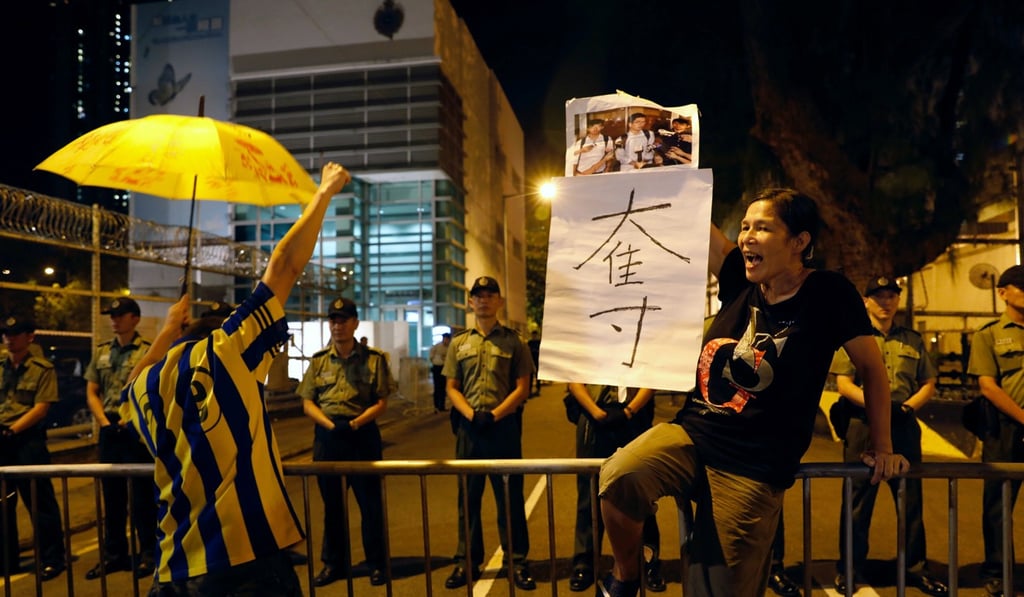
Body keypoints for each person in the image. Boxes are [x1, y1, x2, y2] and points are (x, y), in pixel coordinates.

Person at [596, 188, 909, 597]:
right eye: (744, 226)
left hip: (753, 465)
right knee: (620, 475)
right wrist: (670, 180)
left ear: (799, 242)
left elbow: (871, 368)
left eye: (762, 228)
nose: (746, 236)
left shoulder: (829, 294)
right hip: (693, 434)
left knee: (717, 589)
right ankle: (626, 575)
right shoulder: (739, 282)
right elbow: (701, 225)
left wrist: (883, 445)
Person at [120, 161, 352, 595]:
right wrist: (324, 192)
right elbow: (283, 266)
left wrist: (167, 328)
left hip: (172, 570)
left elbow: (134, 376)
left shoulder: (146, 386)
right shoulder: (228, 351)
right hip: (245, 564)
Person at [830, 276, 947, 596]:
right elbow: (844, 383)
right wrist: (878, 404)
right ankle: (849, 569)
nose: (886, 302)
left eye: (891, 296)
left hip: (904, 423)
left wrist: (907, 408)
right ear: (865, 301)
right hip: (863, 424)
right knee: (857, 501)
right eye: (878, 296)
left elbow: (928, 382)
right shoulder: (853, 335)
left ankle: (915, 568)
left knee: (910, 499)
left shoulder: (912, 340)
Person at [443, 275, 536, 591]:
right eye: (477, 295)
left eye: (489, 294)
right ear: (470, 302)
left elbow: (523, 388)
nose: (483, 299)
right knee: (467, 500)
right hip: (470, 430)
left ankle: (517, 562)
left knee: (510, 498)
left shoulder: (515, 342)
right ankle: (466, 561)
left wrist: (494, 414)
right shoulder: (459, 344)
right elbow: (451, 387)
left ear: (499, 301)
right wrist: (472, 414)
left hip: (503, 429)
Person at [299, 296, 391, 588]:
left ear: (355, 323)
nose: (337, 326)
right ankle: (333, 564)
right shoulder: (318, 362)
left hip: (362, 437)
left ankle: (377, 563)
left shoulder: (374, 359)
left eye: (343, 320)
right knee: (332, 507)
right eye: (333, 320)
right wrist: (330, 425)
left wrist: (353, 424)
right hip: (328, 439)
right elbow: (307, 402)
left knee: (370, 505)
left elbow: (381, 401)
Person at [83, 297, 157, 580]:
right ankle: (114, 555)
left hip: (135, 429)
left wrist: (131, 419)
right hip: (110, 429)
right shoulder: (102, 352)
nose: (114, 320)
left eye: (120, 315)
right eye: (112, 316)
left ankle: (149, 552)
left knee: (142, 498)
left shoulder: (148, 352)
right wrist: (104, 422)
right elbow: (92, 391)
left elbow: (151, 390)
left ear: (135, 318)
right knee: (112, 499)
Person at [566, 383, 664, 593]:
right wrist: (596, 412)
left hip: (634, 415)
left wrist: (629, 411)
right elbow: (574, 377)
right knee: (588, 493)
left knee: (641, 490)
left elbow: (651, 373)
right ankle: (585, 561)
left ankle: (649, 560)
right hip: (593, 415)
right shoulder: (588, 347)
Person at [966, 264, 1024, 597]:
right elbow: (988, 386)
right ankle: (998, 571)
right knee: (998, 505)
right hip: (1004, 429)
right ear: (1002, 293)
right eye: (1021, 287)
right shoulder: (988, 334)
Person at [0, 316, 67, 581]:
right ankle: (7, 559)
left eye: (15, 333)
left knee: (40, 503)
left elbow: (42, 407)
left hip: (27, 441)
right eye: (5, 333)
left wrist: (12, 430)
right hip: (1, 441)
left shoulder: (42, 368)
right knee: (3, 504)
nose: (8, 338)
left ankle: (52, 558)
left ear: (30, 337)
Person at [429, 332, 452, 412]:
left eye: (448, 339)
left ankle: (442, 406)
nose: (446, 341)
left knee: (443, 387)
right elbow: (431, 356)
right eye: (445, 339)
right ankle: (436, 406)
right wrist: (434, 361)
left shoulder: (449, 347)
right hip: (437, 367)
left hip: (444, 368)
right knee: (437, 387)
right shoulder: (437, 346)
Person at [527, 331, 542, 396]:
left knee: (537, 375)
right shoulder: (530, 342)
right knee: (530, 376)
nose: (534, 336)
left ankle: (538, 389)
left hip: (538, 361)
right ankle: (529, 390)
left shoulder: (539, 342)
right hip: (530, 360)